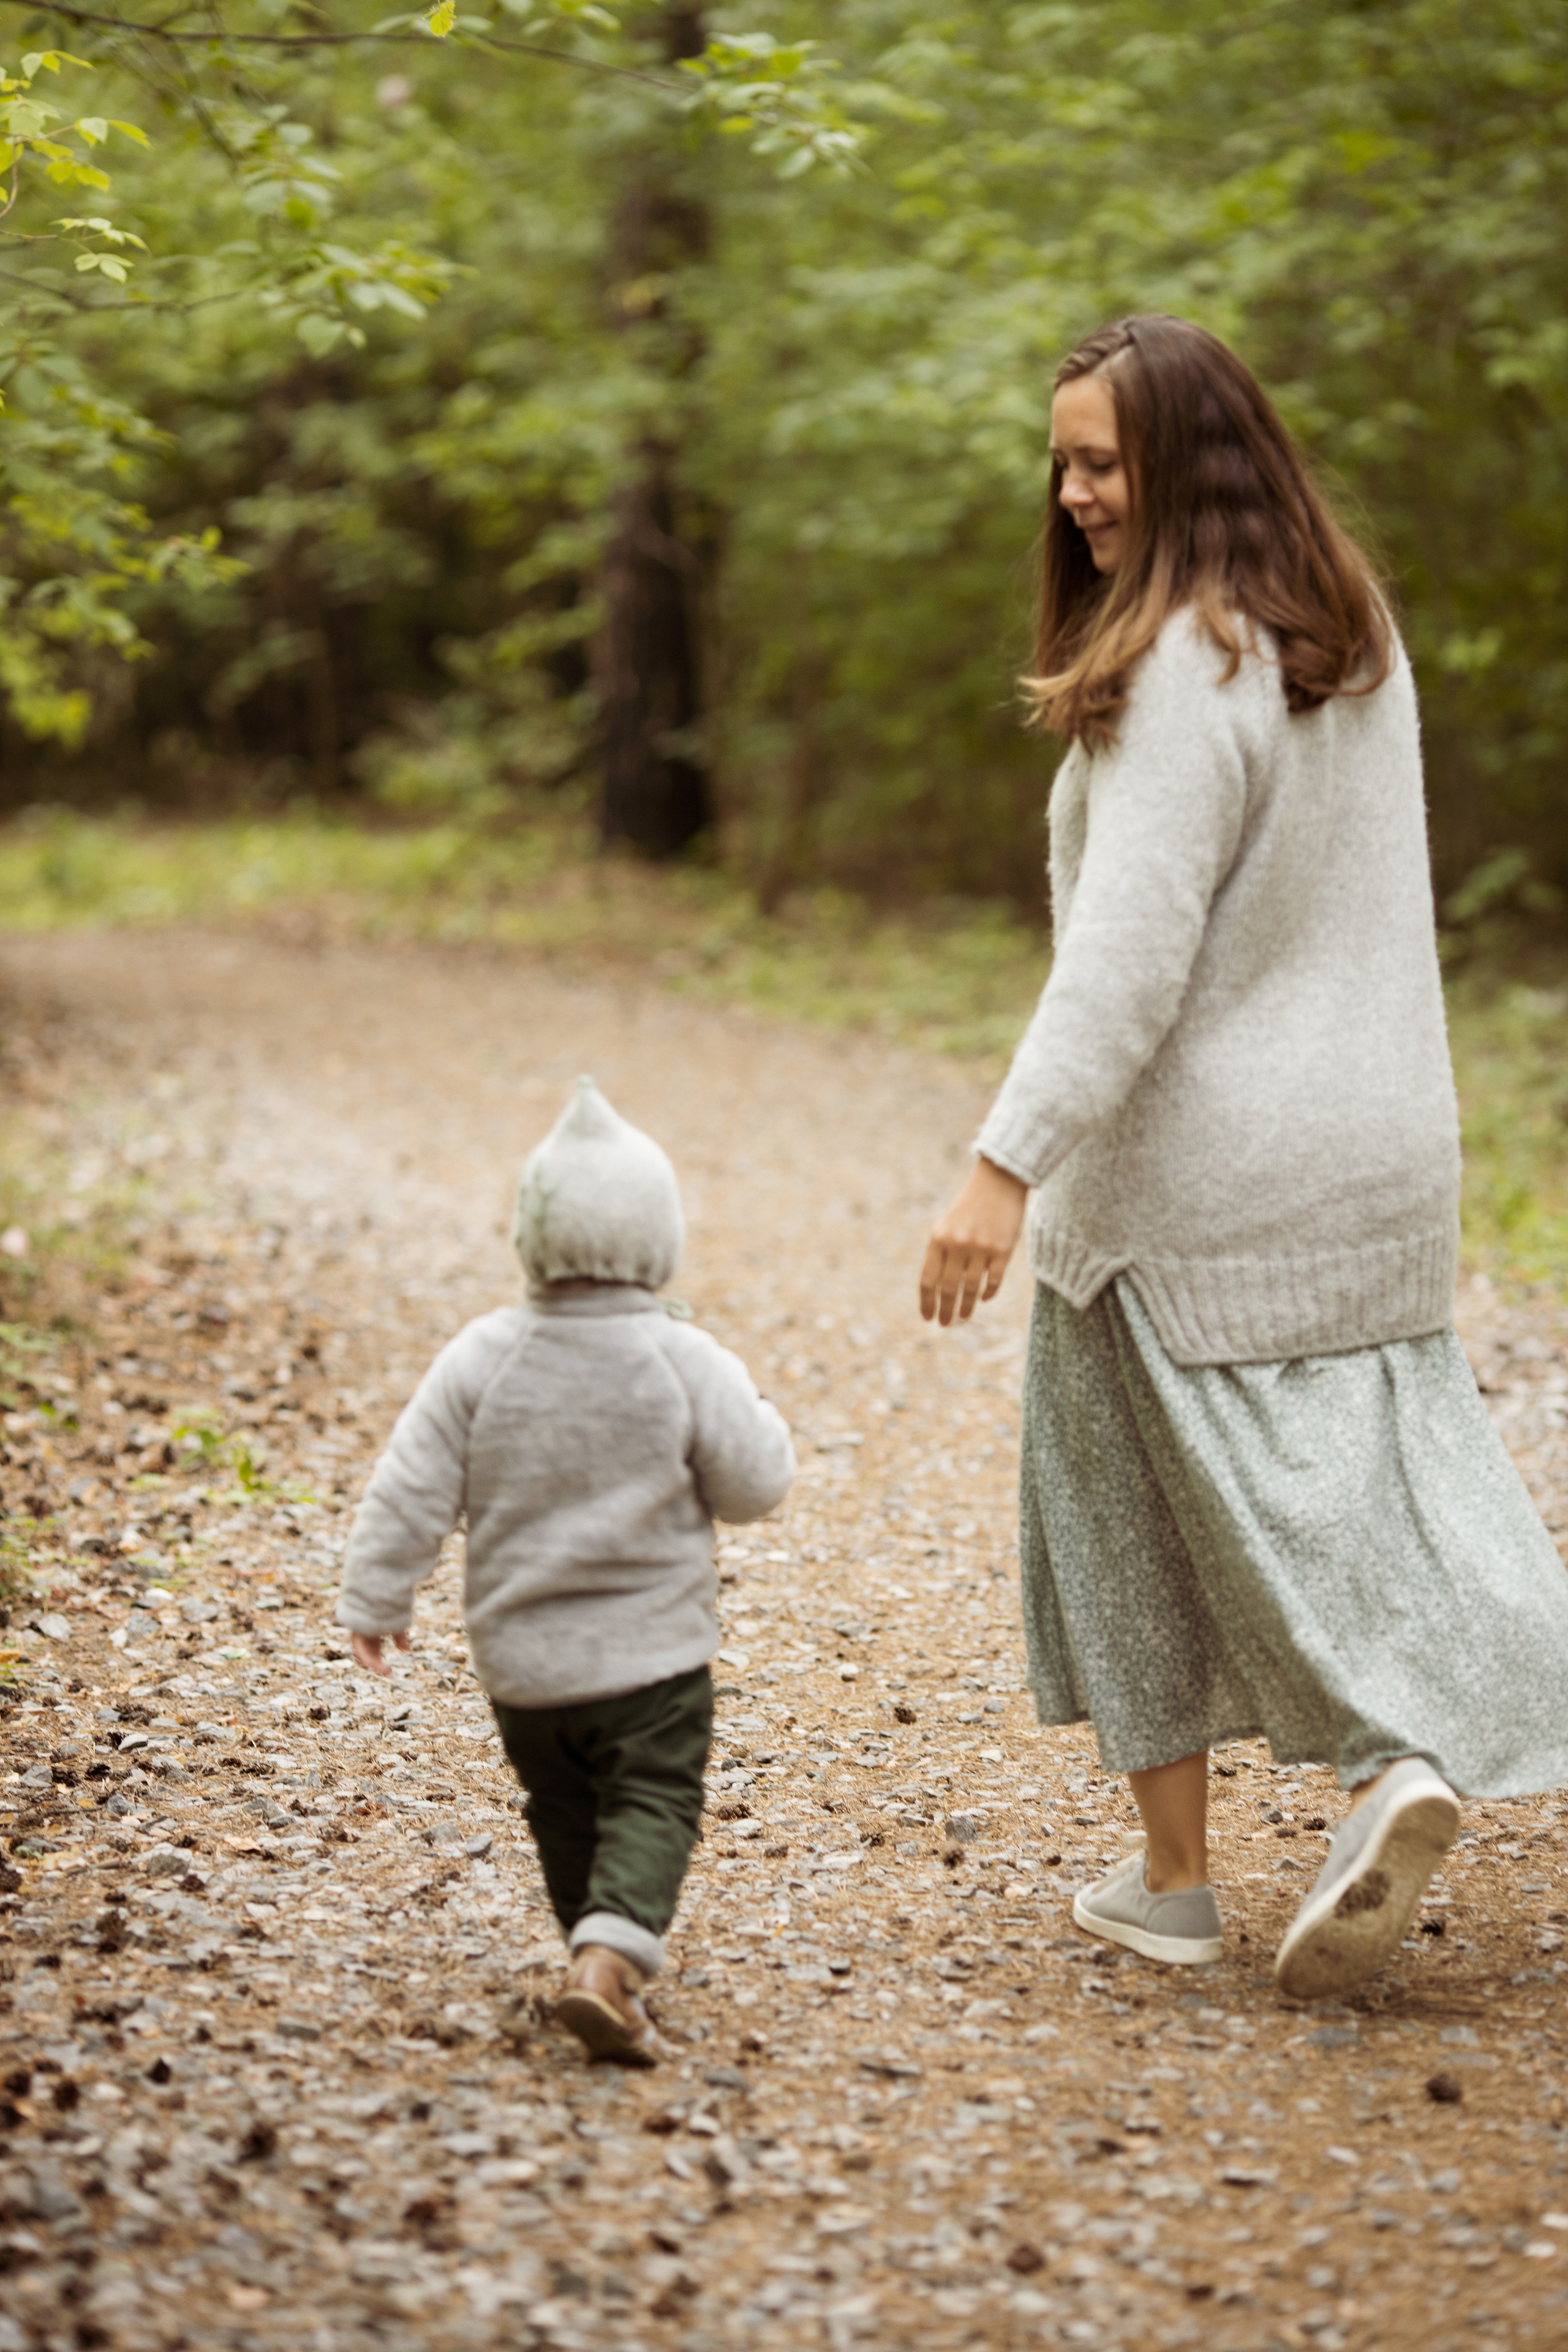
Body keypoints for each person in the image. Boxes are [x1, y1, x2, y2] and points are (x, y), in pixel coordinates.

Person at [918, 314, 1568, 2002]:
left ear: (1187, 463)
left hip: (1191, 1177)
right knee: (1374, 1493)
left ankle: (1198, 1868)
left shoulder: (1177, 670)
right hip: (1379, 1148)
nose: (1070, 496)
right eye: (1061, 464)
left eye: (1100, 464)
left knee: (1126, 1504)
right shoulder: (1345, 634)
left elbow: (1124, 964)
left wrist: (1004, 1164)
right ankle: (1391, 1760)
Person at [336, 1077, 794, 2061]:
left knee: (564, 1808)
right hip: (652, 1663)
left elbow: (409, 1484)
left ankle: (596, 1950)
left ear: (531, 1240)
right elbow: (757, 1484)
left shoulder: (481, 1356)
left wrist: (377, 1595)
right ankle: (608, 1961)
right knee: (653, 1799)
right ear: (657, 1243)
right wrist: (762, 1419)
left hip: (526, 1669)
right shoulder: (682, 1356)